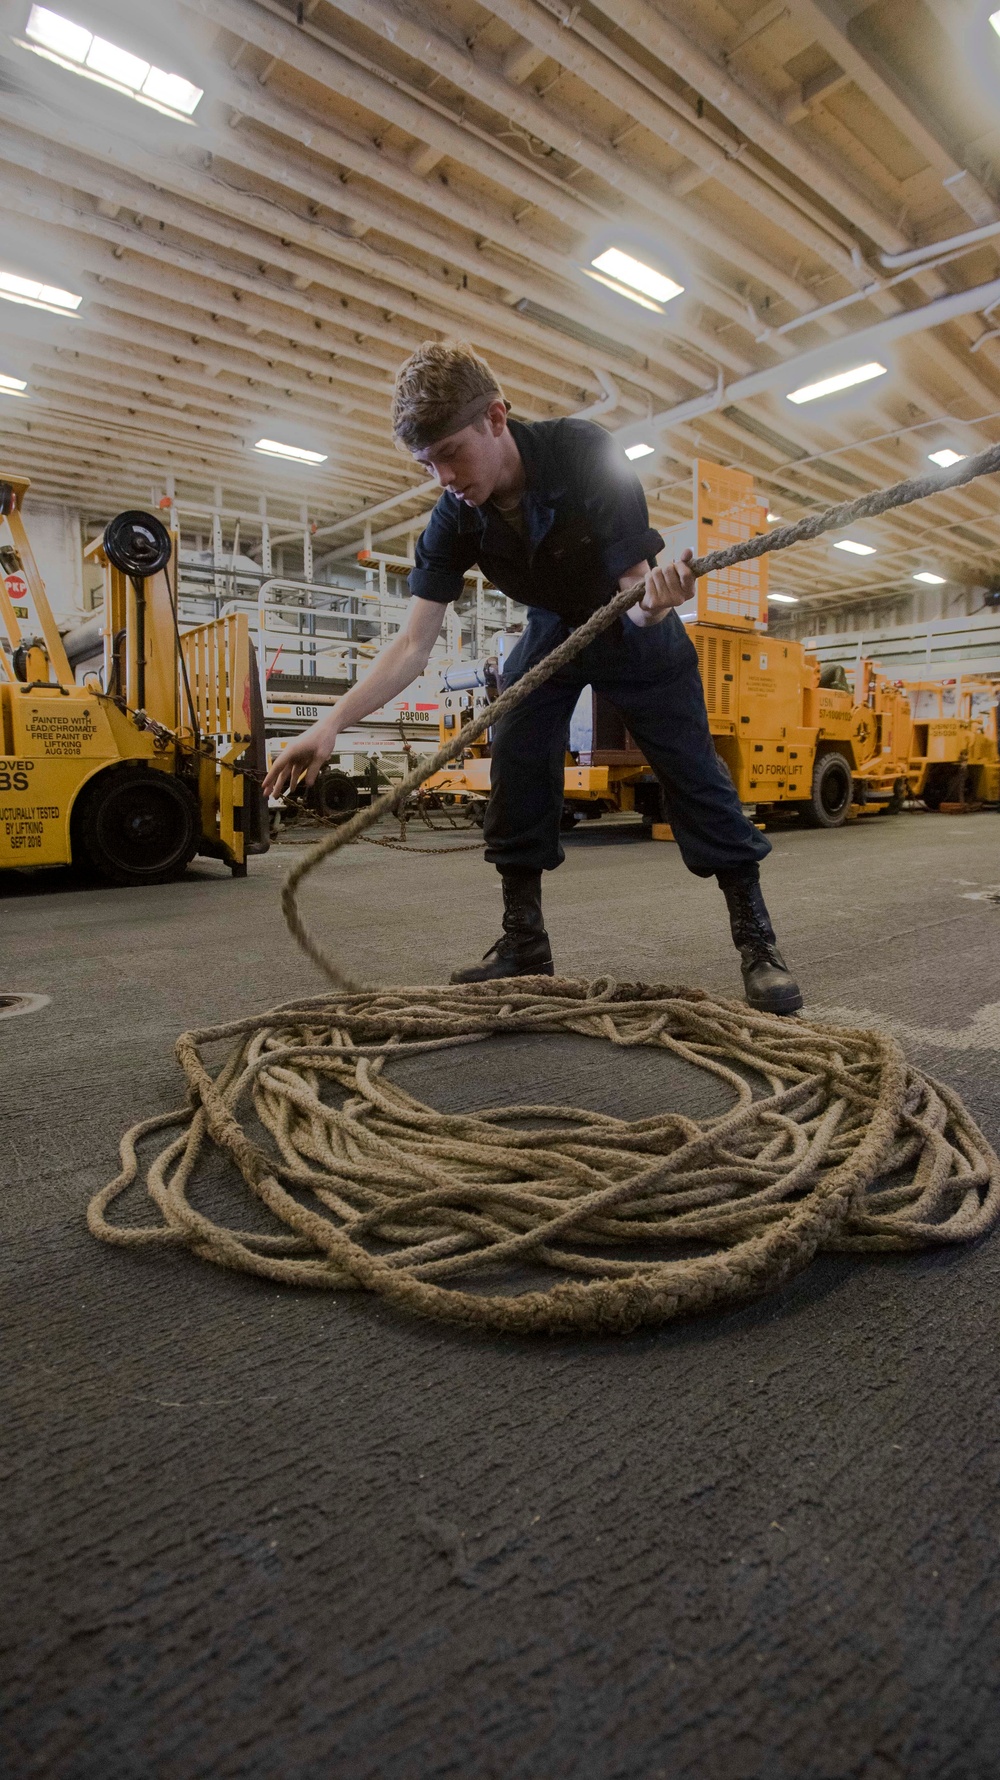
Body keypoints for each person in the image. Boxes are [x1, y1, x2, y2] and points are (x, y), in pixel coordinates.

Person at [263, 342, 802, 1014]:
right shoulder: (455, 515)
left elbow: (635, 596)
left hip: (633, 622)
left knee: (694, 775)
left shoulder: (586, 455)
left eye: (450, 453)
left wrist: (659, 602)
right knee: (515, 751)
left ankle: (758, 942)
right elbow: (411, 645)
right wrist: (329, 724)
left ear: (496, 417)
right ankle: (523, 942)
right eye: (426, 463)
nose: (441, 477)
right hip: (554, 629)